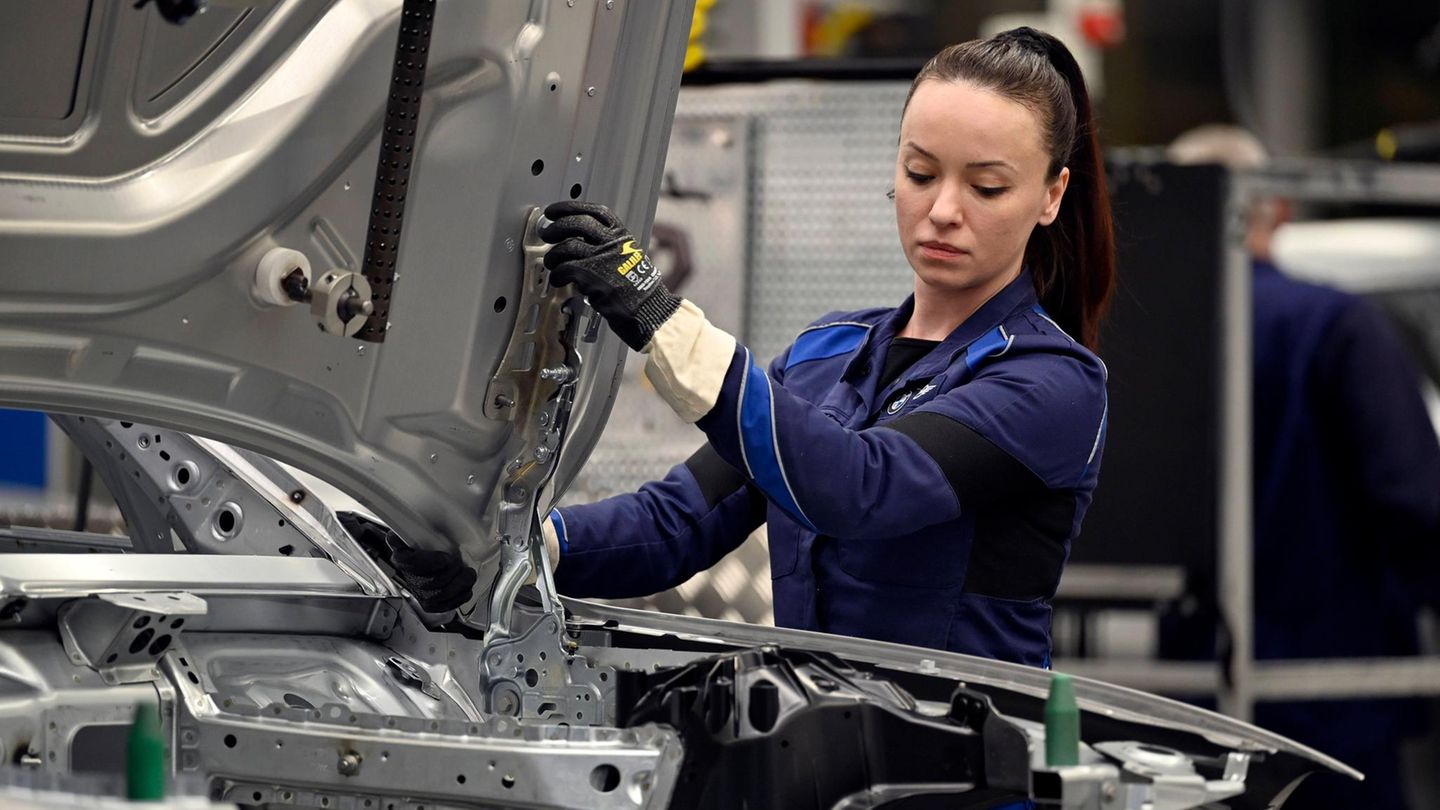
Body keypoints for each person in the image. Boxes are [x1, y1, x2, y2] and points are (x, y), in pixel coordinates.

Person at [528, 26, 1114, 669]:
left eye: (987, 187)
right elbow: (676, 523)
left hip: (960, 756)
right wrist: (527, 550)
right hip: (811, 742)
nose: (944, 209)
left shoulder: (1052, 381)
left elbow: (860, 486)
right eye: (920, 172)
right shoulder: (824, 353)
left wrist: (659, 316)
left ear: (1051, 195)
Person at [1168, 125, 1440, 809]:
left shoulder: (1139, 343)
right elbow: (1415, 499)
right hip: (1333, 694)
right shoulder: (1338, 325)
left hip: (1180, 697)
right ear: (1278, 208)